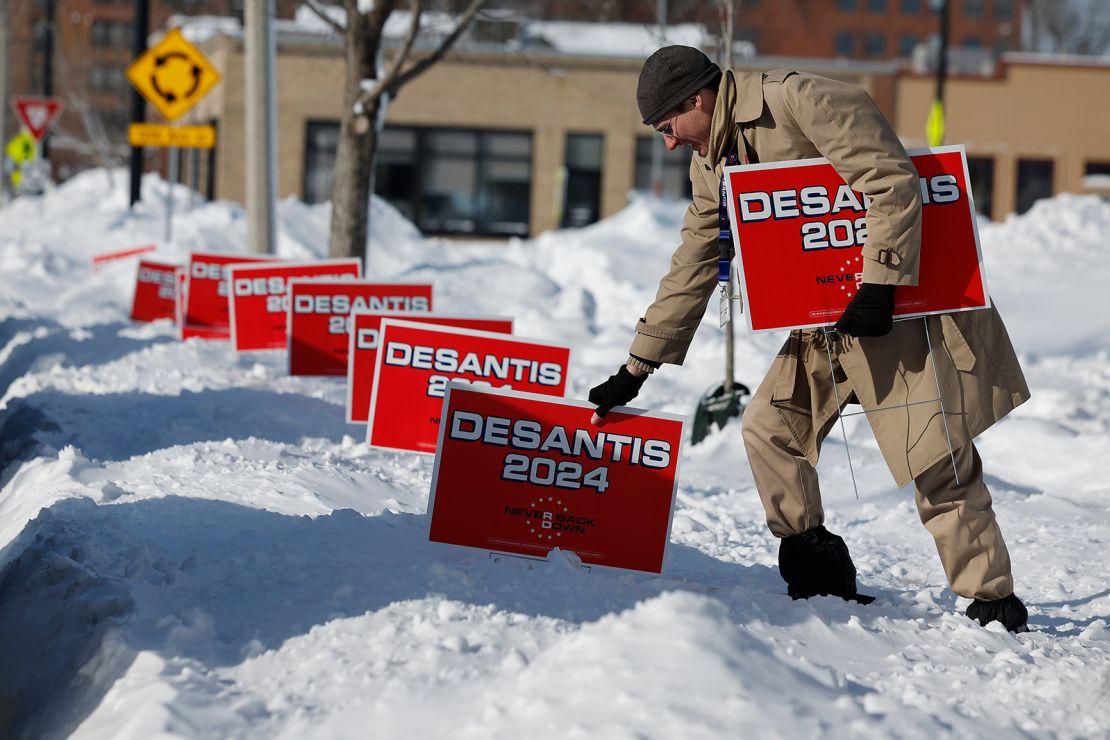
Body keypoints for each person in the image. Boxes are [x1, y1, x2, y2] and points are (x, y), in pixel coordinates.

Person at [588, 45, 1031, 632]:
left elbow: (890, 178)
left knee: (936, 457)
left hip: (894, 311)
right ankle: (816, 569)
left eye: (669, 127)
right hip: (823, 323)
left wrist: (879, 283)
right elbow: (696, 259)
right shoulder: (711, 160)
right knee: (770, 428)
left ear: (696, 99)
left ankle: (992, 599)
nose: (669, 142)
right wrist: (637, 367)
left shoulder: (799, 100)